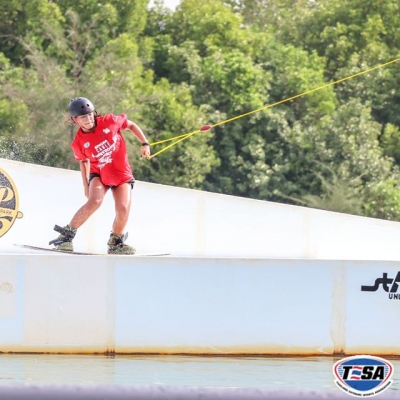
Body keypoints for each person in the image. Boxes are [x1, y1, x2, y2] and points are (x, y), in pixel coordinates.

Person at [49, 97, 150, 254]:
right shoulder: (79, 142)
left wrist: (145, 143)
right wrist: (85, 185)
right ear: (76, 120)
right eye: (83, 117)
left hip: (121, 173)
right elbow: (83, 162)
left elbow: (130, 125)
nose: (88, 119)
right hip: (99, 173)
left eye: (90, 115)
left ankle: (115, 242)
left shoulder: (109, 121)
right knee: (94, 201)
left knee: (123, 208)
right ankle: (66, 237)